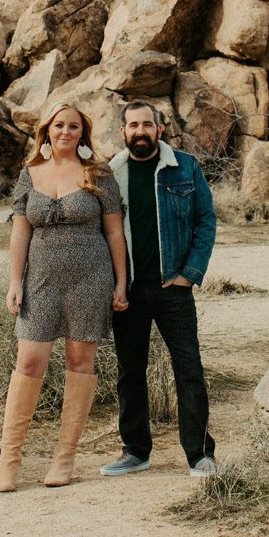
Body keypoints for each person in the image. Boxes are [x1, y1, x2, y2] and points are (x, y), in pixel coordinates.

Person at [0, 102, 128, 492]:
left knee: (80, 361)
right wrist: (14, 282)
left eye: (73, 126)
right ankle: (10, 461)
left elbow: (115, 233)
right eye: (58, 125)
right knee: (29, 362)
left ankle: (64, 458)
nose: (65, 132)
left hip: (90, 278)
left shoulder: (98, 174)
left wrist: (121, 283)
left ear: (82, 133)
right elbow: (20, 232)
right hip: (40, 281)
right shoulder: (29, 175)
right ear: (46, 131)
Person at [102, 100, 219, 478]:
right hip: (129, 290)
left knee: (188, 369)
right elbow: (100, 232)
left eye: (146, 124)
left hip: (174, 289)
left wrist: (190, 272)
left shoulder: (185, 166)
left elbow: (206, 220)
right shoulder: (111, 173)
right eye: (133, 125)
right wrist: (112, 284)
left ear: (159, 129)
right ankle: (136, 451)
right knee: (129, 371)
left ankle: (199, 455)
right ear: (123, 132)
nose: (140, 131)